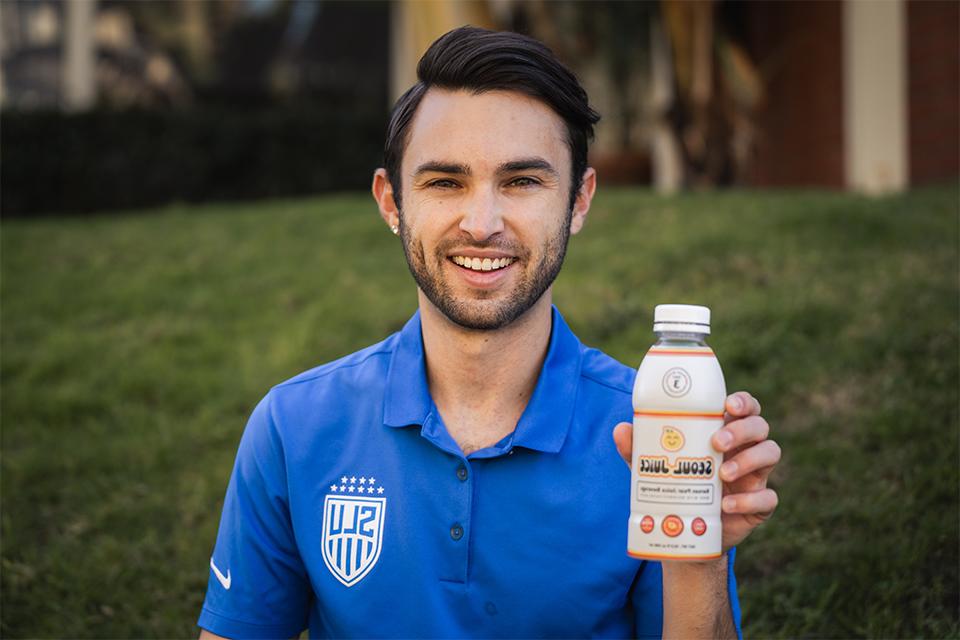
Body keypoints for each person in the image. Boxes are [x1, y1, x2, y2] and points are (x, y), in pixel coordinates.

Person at [197, 26, 780, 640]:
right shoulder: (294, 426)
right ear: (391, 202)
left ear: (579, 201)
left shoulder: (657, 437)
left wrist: (701, 556)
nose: (482, 224)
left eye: (522, 182)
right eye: (445, 182)